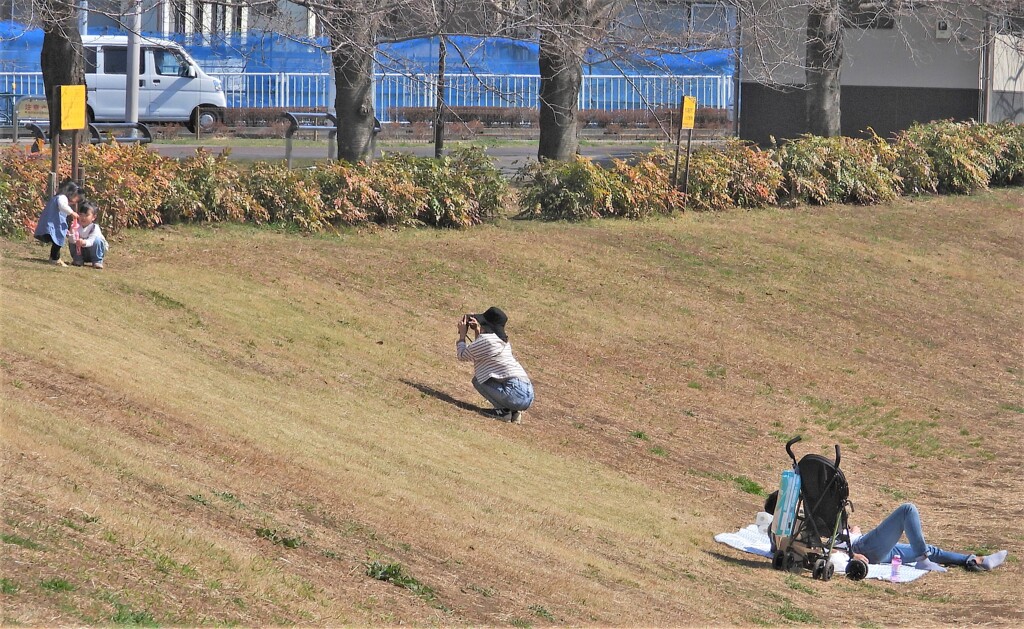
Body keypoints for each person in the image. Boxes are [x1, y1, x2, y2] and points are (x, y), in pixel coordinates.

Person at [848, 503, 1008, 573]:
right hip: (861, 548)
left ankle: (975, 560)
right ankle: (922, 561)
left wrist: (854, 531)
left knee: (927, 549)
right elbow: (823, 547)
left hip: (864, 544)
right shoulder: (824, 519)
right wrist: (852, 555)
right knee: (907, 510)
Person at [456, 307, 534, 423]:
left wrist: (462, 336)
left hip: (515, 392)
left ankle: (504, 412)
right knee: (483, 378)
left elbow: (462, 355)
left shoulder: (488, 341)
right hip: (527, 393)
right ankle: (514, 412)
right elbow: (482, 351)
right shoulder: (501, 340)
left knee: (478, 380)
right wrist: (477, 330)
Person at [34, 180, 81, 266]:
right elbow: (63, 206)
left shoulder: (58, 198)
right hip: (53, 224)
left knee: (58, 240)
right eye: (76, 198)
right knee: (58, 241)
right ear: (71, 193)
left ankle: (54, 257)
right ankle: (55, 258)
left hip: (52, 223)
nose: (75, 202)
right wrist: (72, 213)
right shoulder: (62, 198)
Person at [68, 201, 109, 269]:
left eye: (86, 215)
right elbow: (71, 241)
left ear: (93, 217)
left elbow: (91, 241)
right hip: (82, 252)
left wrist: (84, 242)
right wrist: (72, 230)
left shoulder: (95, 228)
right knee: (72, 240)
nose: (83, 218)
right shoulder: (76, 226)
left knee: (97, 241)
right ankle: (78, 260)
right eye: (81, 214)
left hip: (94, 251)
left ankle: (97, 261)